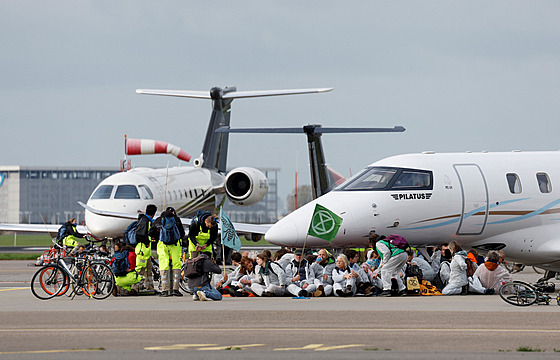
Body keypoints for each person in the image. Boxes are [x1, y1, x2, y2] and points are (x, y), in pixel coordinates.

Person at [154, 207, 186, 297]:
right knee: (176, 265)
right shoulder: (176, 219)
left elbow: (151, 232)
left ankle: (165, 290)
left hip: (163, 245)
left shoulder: (159, 220)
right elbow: (182, 233)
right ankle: (175, 289)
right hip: (175, 245)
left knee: (164, 266)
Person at [135, 204, 157, 293]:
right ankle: (135, 287)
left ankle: (150, 287)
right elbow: (140, 234)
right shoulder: (145, 221)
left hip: (146, 251)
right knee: (140, 270)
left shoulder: (147, 220)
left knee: (148, 270)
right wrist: (147, 242)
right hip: (142, 251)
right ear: (154, 213)